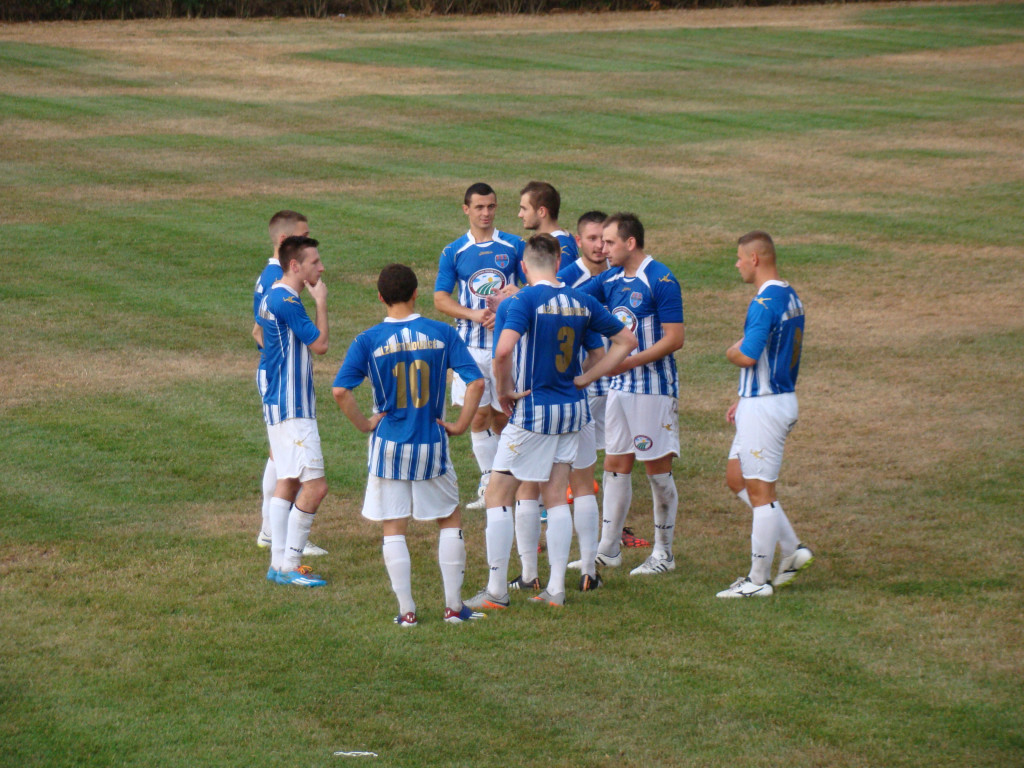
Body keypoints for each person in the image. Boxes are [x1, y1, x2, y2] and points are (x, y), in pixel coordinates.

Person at [465, 234, 636, 610]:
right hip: (573, 410)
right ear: (559, 263)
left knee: (497, 495)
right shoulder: (583, 300)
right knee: (557, 495)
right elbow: (626, 340)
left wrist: (505, 390)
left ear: (524, 267)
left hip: (535, 411)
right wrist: (587, 379)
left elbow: (504, 350)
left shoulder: (523, 299)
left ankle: (496, 590)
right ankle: (555, 588)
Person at [334, 264, 487, 625]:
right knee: (448, 519)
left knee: (393, 526)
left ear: (380, 297)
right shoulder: (441, 333)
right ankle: (453, 607)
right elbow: (476, 383)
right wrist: (461, 425)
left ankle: (407, 613)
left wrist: (366, 425)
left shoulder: (367, 340)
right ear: (417, 293)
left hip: (388, 445)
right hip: (431, 442)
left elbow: (341, 390)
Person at [717, 231, 813, 598]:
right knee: (737, 478)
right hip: (768, 398)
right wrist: (744, 396)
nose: (737, 264)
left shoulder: (762, 303)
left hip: (766, 407)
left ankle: (758, 581)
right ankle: (793, 550)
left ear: (755, 259)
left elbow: (748, 354)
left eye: (740, 258)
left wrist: (729, 352)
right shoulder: (790, 295)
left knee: (761, 493)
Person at [590, 213, 686, 576]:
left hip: (653, 390)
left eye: (610, 242)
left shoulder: (660, 279)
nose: (602, 248)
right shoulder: (611, 278)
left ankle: (664, 553)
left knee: (657, 470)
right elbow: (571, 293)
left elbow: (675, 338)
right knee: (615, 464)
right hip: (619, 388)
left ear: (630, 243)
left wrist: (628, 363)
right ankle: (608, 548)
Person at [433, 183, 525, 510]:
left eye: (491, 207)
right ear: (466, 209)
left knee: (504, 417)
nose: (485, 213)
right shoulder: (454, 251)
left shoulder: (514, 245)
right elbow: (441, 298)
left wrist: (508, 302)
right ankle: (489, 483)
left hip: (507, 347)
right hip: (470, 348)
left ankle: (509, 481)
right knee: (477, 417)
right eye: (479, 208)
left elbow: (536, 285)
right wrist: (473, 313)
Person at [251, 211, 327, 557]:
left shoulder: (274, 296)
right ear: (295, 266)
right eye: (314, 262)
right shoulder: (287, 300)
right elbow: (321, 345)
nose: (320, 269)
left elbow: (259, 334)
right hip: (292, 404)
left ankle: (278, 557)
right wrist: (321, 303)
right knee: (315, 485)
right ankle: (291, 558)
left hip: (279, 399)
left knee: (288, 479)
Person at [517, 180, 579, 271]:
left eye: (524, 209)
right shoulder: (557, 241)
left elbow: (560, 284)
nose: (520, 215)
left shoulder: (559, 247)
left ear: (541, 212)